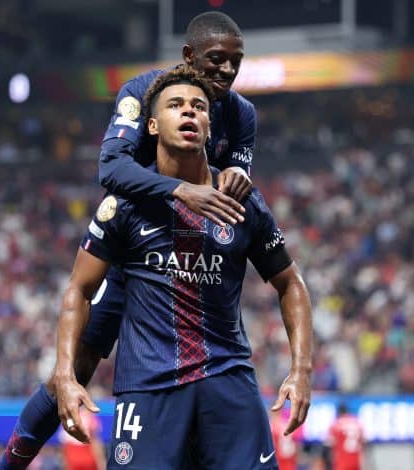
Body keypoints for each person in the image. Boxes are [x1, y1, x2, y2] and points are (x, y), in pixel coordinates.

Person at [0, 11, 257, 469]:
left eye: (235, 62)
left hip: (196, 275)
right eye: (217, 59)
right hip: (136, 258)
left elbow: (236, 186)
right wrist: (181, 190)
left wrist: (239, 178)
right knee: (74, 372)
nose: (226, 71)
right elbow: (110, 169)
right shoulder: (141, 94)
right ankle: (11, 463)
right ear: (189, 56)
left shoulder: (241, 115)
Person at [51, 67, 311, 469]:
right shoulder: (125, 204)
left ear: (210, 126)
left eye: (199, 107)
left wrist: (301, 369)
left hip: (228, 382)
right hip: (148, 388)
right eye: (176, 106)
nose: (189, 113)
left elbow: (290, 282)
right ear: (151, 125)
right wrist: (65, 376)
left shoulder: (240, 200)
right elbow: (79, 290)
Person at [328, 404, 365, 470]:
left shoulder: (336, 424)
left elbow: (330, 443)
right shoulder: (357, 423)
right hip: (356, 463)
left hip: (342, 463)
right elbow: (364, 440)